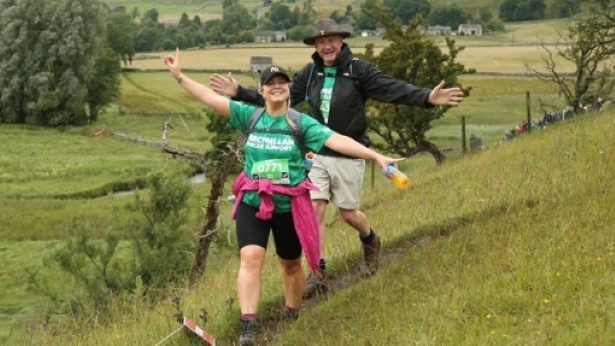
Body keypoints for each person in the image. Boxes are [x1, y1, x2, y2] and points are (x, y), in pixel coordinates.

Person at [164, 49, 405, 346]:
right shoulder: (248, 116)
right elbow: (210, 98)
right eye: (270, 82)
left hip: (289, 206)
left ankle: (292, 314)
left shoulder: (300, 124)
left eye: (282, 82)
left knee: (290, 265)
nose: (276, 86)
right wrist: (179, 77)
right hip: (254, 201)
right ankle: (248, 326)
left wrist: (376, 156)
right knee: (251, 258)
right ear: (262, 90)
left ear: (289, 89)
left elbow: (338, 140)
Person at [210, 19, 465, 298]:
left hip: (348, 153)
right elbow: (278, 99)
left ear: (341, 41)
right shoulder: (309, 74)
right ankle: (317, 273)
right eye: (321, 42)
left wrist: (427, 97)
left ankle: (370, 238)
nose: (327, 45)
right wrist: (241, 94)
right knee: (316, 208)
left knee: (348, 213)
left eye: (331, 40)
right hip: (316, 154)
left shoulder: (359, 70)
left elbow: (392, 89)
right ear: (315, 46)